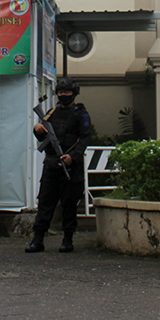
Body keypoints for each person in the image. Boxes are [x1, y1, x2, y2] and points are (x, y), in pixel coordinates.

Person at [26, 77, 92, 254]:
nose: (63, 95)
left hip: (70, 166)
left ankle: (68, 239)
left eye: (67, 92)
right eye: (60, 92)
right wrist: (38, 131)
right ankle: (38, 239)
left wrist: (72, 156)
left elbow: (84, 139)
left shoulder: (81, 114)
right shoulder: (51, 113)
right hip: (51, 164)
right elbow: (44, 139)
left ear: (74, 93)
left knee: (69, 203)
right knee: (45, 202)